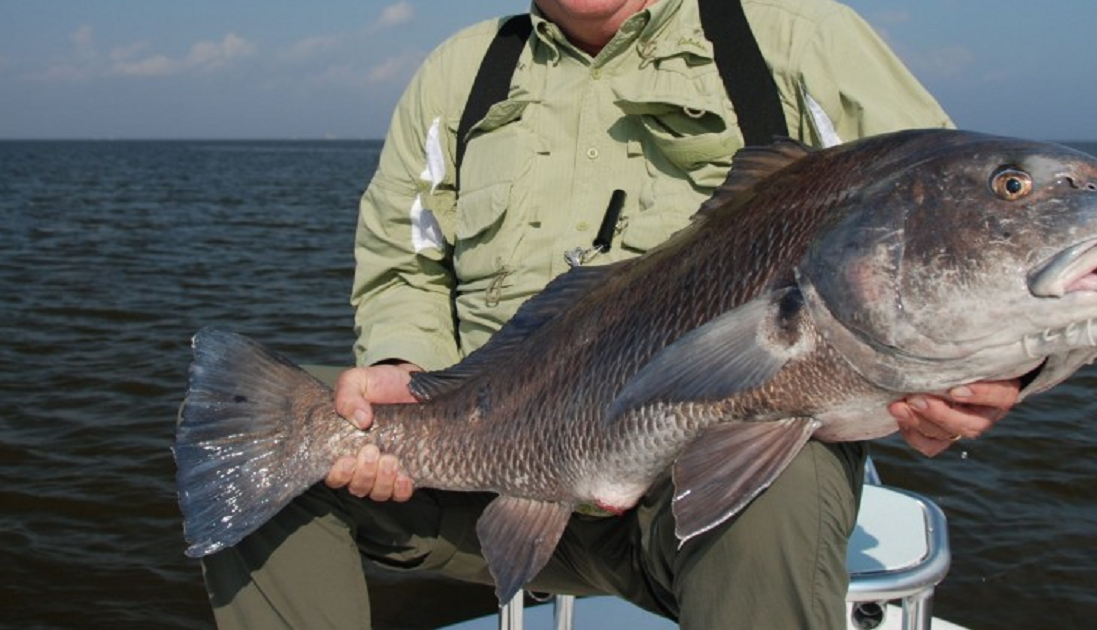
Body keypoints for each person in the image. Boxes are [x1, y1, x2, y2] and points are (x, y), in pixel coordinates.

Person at [201, 0, 1019, 627]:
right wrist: (400, 368)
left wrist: (992, 374)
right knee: (263, 432)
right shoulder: (461, 72)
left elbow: (953, 222)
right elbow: (403, 258)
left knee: (788, 485)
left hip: (709, 482)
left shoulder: (799, 36)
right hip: (490, 458)